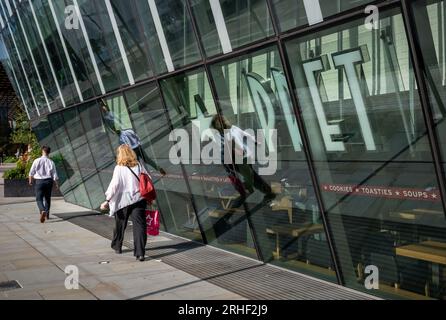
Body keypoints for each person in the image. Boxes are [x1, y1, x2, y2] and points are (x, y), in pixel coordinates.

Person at [211, 115, 276, 209]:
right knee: (251, 175)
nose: (222, 123)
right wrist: (233, 151)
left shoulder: (233, 128)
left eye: (223, 120)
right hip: (235, 160)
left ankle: (252, 188)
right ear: (216, 125)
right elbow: (224, 147)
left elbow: (245, 134)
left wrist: (255, 141)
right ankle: (267, 191)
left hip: (245, 156)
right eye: (218, 122)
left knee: (250, 174)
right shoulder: (218, 135)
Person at [100, 145, 149, 262]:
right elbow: (148, 179)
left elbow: (114, 186)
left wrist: (107, 200)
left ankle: (117, 246)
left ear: (120, 154)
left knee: (120, 223)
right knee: (140, 226)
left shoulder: (119, 168)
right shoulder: (139, 165)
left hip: (123, 201)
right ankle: (140, 253)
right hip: (139, 199)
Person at [28, 146, 59, 223]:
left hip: (39, 181)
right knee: (47, 199)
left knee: (39, 198)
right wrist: (57, 184)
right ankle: (47, 215)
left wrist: (30, 181)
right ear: (49, 152)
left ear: (42, 151)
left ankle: (42, 211)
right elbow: (54, 175)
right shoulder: (51, 162)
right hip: (48, 181)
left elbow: (31, 172)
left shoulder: (36, 160)